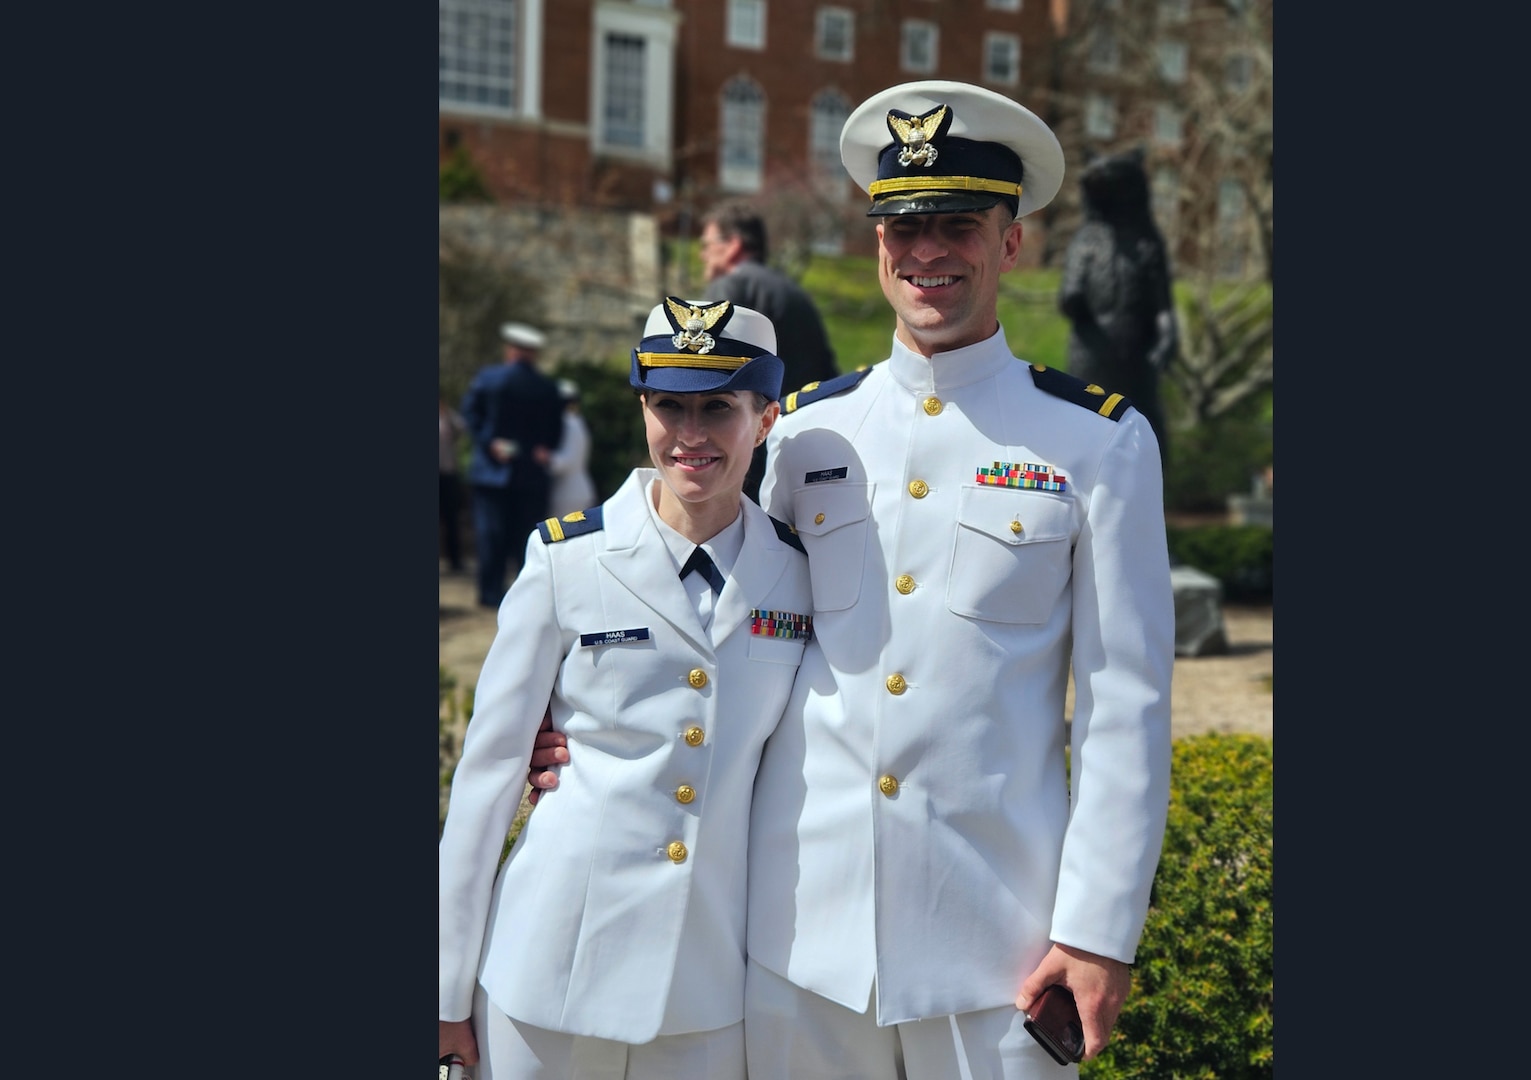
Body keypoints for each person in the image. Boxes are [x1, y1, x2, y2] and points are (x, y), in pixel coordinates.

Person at [528, 80, 1175, 1077]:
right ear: (876, 244)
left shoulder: (1095, 443)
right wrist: (563, 715)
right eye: (900, 226)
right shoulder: (806, 430)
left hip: (995, 945)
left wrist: (1097, 929)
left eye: (956, 223)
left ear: (1011, 242)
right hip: (796, 934)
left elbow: (1125, 702)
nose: (925, 252)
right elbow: (705, 610)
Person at [440, 299, 815, 1079]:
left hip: (706, 992)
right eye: (668, 405)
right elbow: (485, 781)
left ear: (768, 416)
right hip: (547, 973)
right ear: (641, 406)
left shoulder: (801, 572)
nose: (691, 433)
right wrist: (444, 992)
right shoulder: (566, 560)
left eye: (718, 407)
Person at [698, 200, 841, 503]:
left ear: (732, 245)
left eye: (707, 245)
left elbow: (708, 381)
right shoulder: (796, 294)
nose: (702, 255)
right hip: (810, 447)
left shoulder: (730, 288)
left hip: (753, 460)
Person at [1057, 146, 1181, 471]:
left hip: (1136, 352)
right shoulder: (1086, 238)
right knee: (1086, 419)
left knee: (1142, 423)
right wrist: (1074, 299)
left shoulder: (1147, 242)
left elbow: (1162, 304)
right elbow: (1070, 293)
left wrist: (1168, 337)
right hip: (1091, 351)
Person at [461, 322, 565, 608]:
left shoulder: (489, 378)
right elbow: (555, 431)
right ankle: (525, 591)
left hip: (490, 472)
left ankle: (489, 591)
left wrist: (488, 443)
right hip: (531, 473)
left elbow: (470, 414)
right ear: (533, 353)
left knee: (489, 533)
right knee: (525, 536)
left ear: (510, 350)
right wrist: (544, 449)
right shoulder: (546, 387)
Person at [546, 378, 596, 517]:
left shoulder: (569, 423)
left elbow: (568, 461)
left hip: (568, 494)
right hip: (576, 490)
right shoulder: (577, 421)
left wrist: (545, 458)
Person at [439, 395, 469, 573]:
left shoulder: (448, 418)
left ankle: (455, 560)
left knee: (451, 519)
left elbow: (462, 428)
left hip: (448, 474)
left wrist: (446, 412)